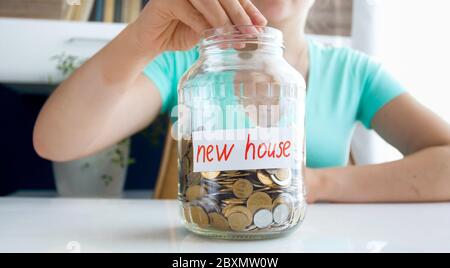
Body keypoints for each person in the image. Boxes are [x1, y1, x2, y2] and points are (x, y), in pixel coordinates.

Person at [33, 0, 450, 203]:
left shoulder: (354, 73)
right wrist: (145, 37)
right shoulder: (184, 61)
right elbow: (57, 141)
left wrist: (313, 183)